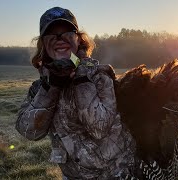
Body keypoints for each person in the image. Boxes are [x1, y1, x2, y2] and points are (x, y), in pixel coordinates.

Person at [15, 7, 135, 179]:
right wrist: (52, 87)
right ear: (43, 44)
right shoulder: (40, 88)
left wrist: (81, 76)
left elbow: (99, 128)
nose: (60, 39)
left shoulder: (99, 77)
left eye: (67, 33)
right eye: (52, 34)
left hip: (116, 174)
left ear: (78, 40)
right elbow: (29, 131)